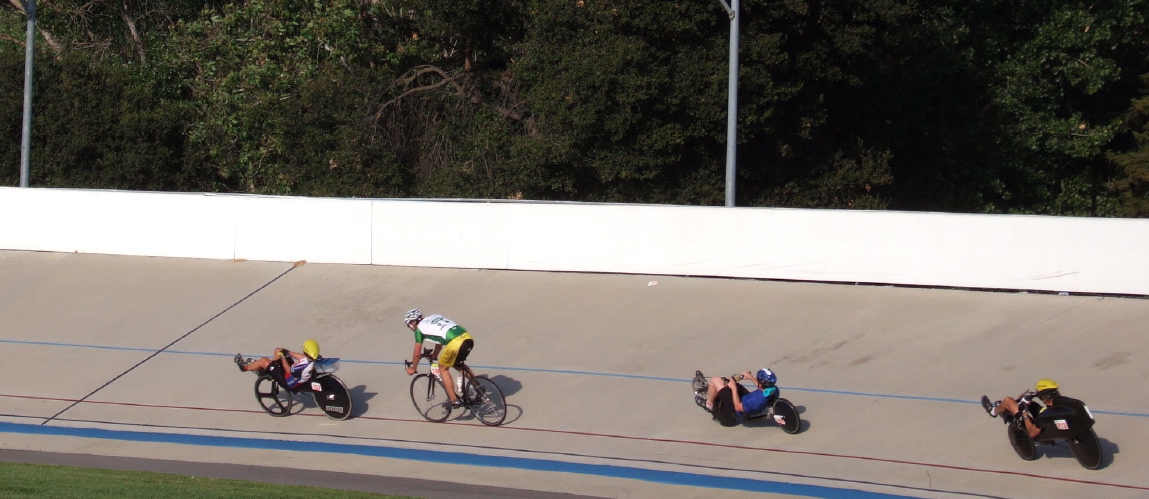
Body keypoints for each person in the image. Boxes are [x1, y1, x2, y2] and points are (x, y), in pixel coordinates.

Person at [403, 309, 475, 407]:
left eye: (408, 325)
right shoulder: (433, 317)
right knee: (457, 364)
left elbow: (417, 353)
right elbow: (439, 341)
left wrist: (413, 368)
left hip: (455, 343)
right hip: (467, 337)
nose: (409, 328)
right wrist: (434, 356)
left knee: (443, 368)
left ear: (413, 322)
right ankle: (479, 387)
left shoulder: (419, 329)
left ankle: (454, 400)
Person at [982, 378, 1068, 438]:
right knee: (1028, 402)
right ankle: (1015, 404)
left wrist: (1025, 414)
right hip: (1047, 418)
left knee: (1008, 401)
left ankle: (993, 411)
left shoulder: (1043, 417)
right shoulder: (1063, 404)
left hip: (1034, 426)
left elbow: (1032, 433)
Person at [700, 368, 779, 427]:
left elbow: (738, 407)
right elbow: (761, 386)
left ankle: (709, 404)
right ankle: (716, 389)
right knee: (728, 382)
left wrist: (733, 389)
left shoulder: (755, 401)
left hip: (738, 409)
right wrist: (750, 377)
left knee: (715, 380)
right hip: (747, 398)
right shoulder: (773, 390)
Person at [235, 339, 321, 390]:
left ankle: (244, 367)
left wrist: (283, 357)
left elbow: (288, 369)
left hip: (288, 381)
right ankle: (268, 370)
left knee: (263, 360)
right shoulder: (311, 360)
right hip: (294, 375)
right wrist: (288, 352)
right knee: (278, 351)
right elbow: (302, 357)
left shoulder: (302, 367)